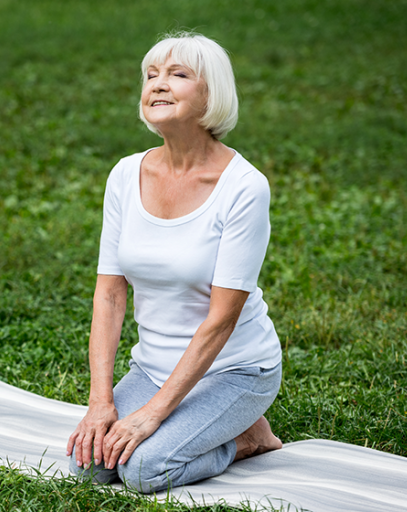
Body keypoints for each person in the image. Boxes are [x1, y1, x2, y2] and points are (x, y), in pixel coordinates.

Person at [65, 32, 283, 493]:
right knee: (90, 468)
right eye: (151, 75)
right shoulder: (126, 174)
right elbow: (109, 293)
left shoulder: (244, 187)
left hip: (235, 369)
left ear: (211, 94)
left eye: (178, 75)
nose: (158, 85)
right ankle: (210, 428)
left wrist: (152, 416)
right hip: (153, 365)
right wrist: (100, 402)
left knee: (145, 470)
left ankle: (247, 437)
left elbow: (221, 320)